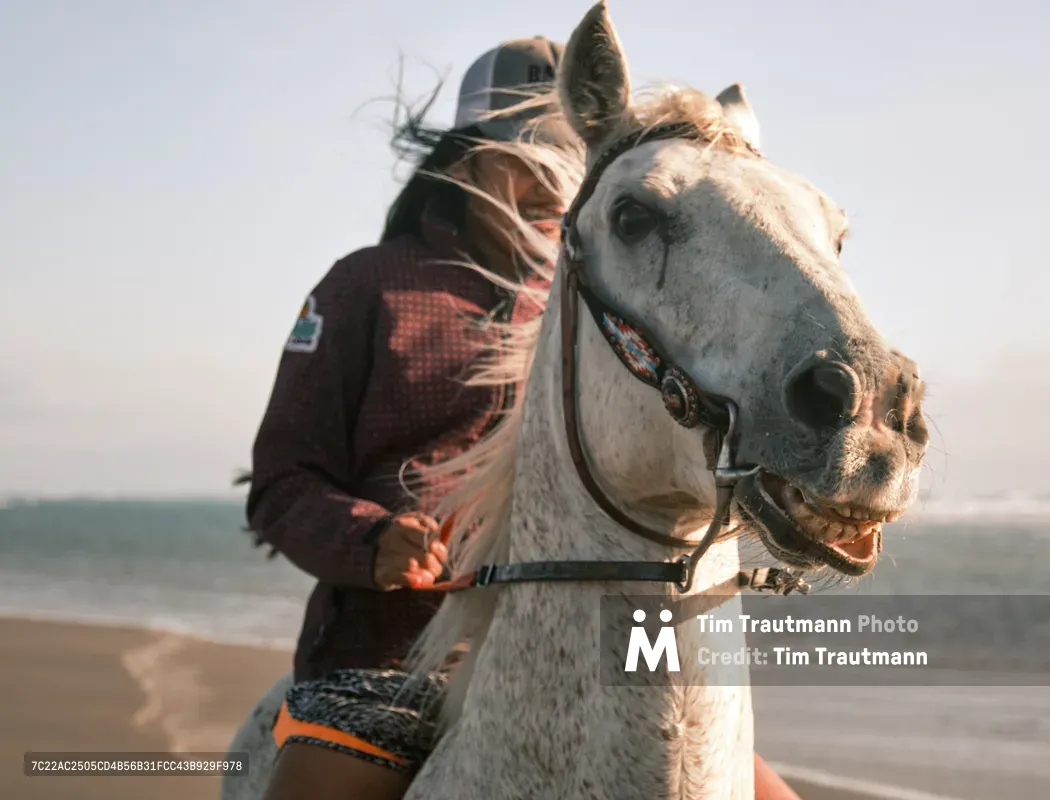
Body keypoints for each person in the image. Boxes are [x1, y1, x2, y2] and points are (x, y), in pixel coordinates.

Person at [244, 34, 803, 800]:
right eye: (526, 154)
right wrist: (370, 539)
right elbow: (281, 483)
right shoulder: (363, 287)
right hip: (391, 661)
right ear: (466, 159)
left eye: (568, 157)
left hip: (603, 653)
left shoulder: (610, 300)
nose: (552, 179)